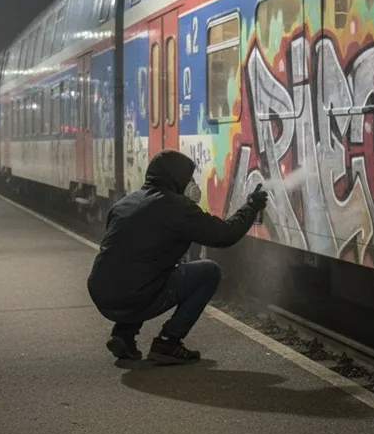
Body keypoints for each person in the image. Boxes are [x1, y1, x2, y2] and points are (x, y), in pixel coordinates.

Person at [87, 149, 267, 364]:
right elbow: (225, 235)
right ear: (177, 177)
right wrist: (251, 206)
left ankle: (123, 335)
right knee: (208, 272)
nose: (192, 182)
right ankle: (167, 342)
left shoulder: (125, 203)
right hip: (132, 296)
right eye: (189, 177)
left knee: (143, 267)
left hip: (101, 291)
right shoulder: (177, 207)